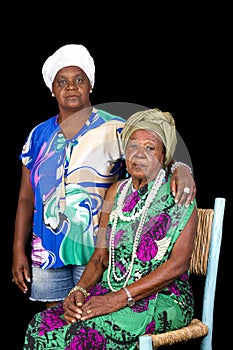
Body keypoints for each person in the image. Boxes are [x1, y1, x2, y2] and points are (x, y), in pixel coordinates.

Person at [12, 44, 196, 310]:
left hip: (97, 253)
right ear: (52, 89)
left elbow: (150, 155)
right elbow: (25, 198)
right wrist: (18, 250)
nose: (71, 87)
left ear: (90, 86)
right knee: (58, 322)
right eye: (62, 81)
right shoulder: (38, 136)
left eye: (79, 80)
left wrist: (182, 168)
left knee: (91, 319)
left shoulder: (114, 129)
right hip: (48, 250)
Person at [23, 108, 198, 350]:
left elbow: (178, 264)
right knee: (41, 324)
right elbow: (100, 257)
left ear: (164, 156)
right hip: (112, 290)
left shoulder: (179, 192)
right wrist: (80, 290)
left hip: (163, 300)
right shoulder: (116, 192)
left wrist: (118, 299)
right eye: (133, 146)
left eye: (150, 148)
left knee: (83, 333)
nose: (139, 155)